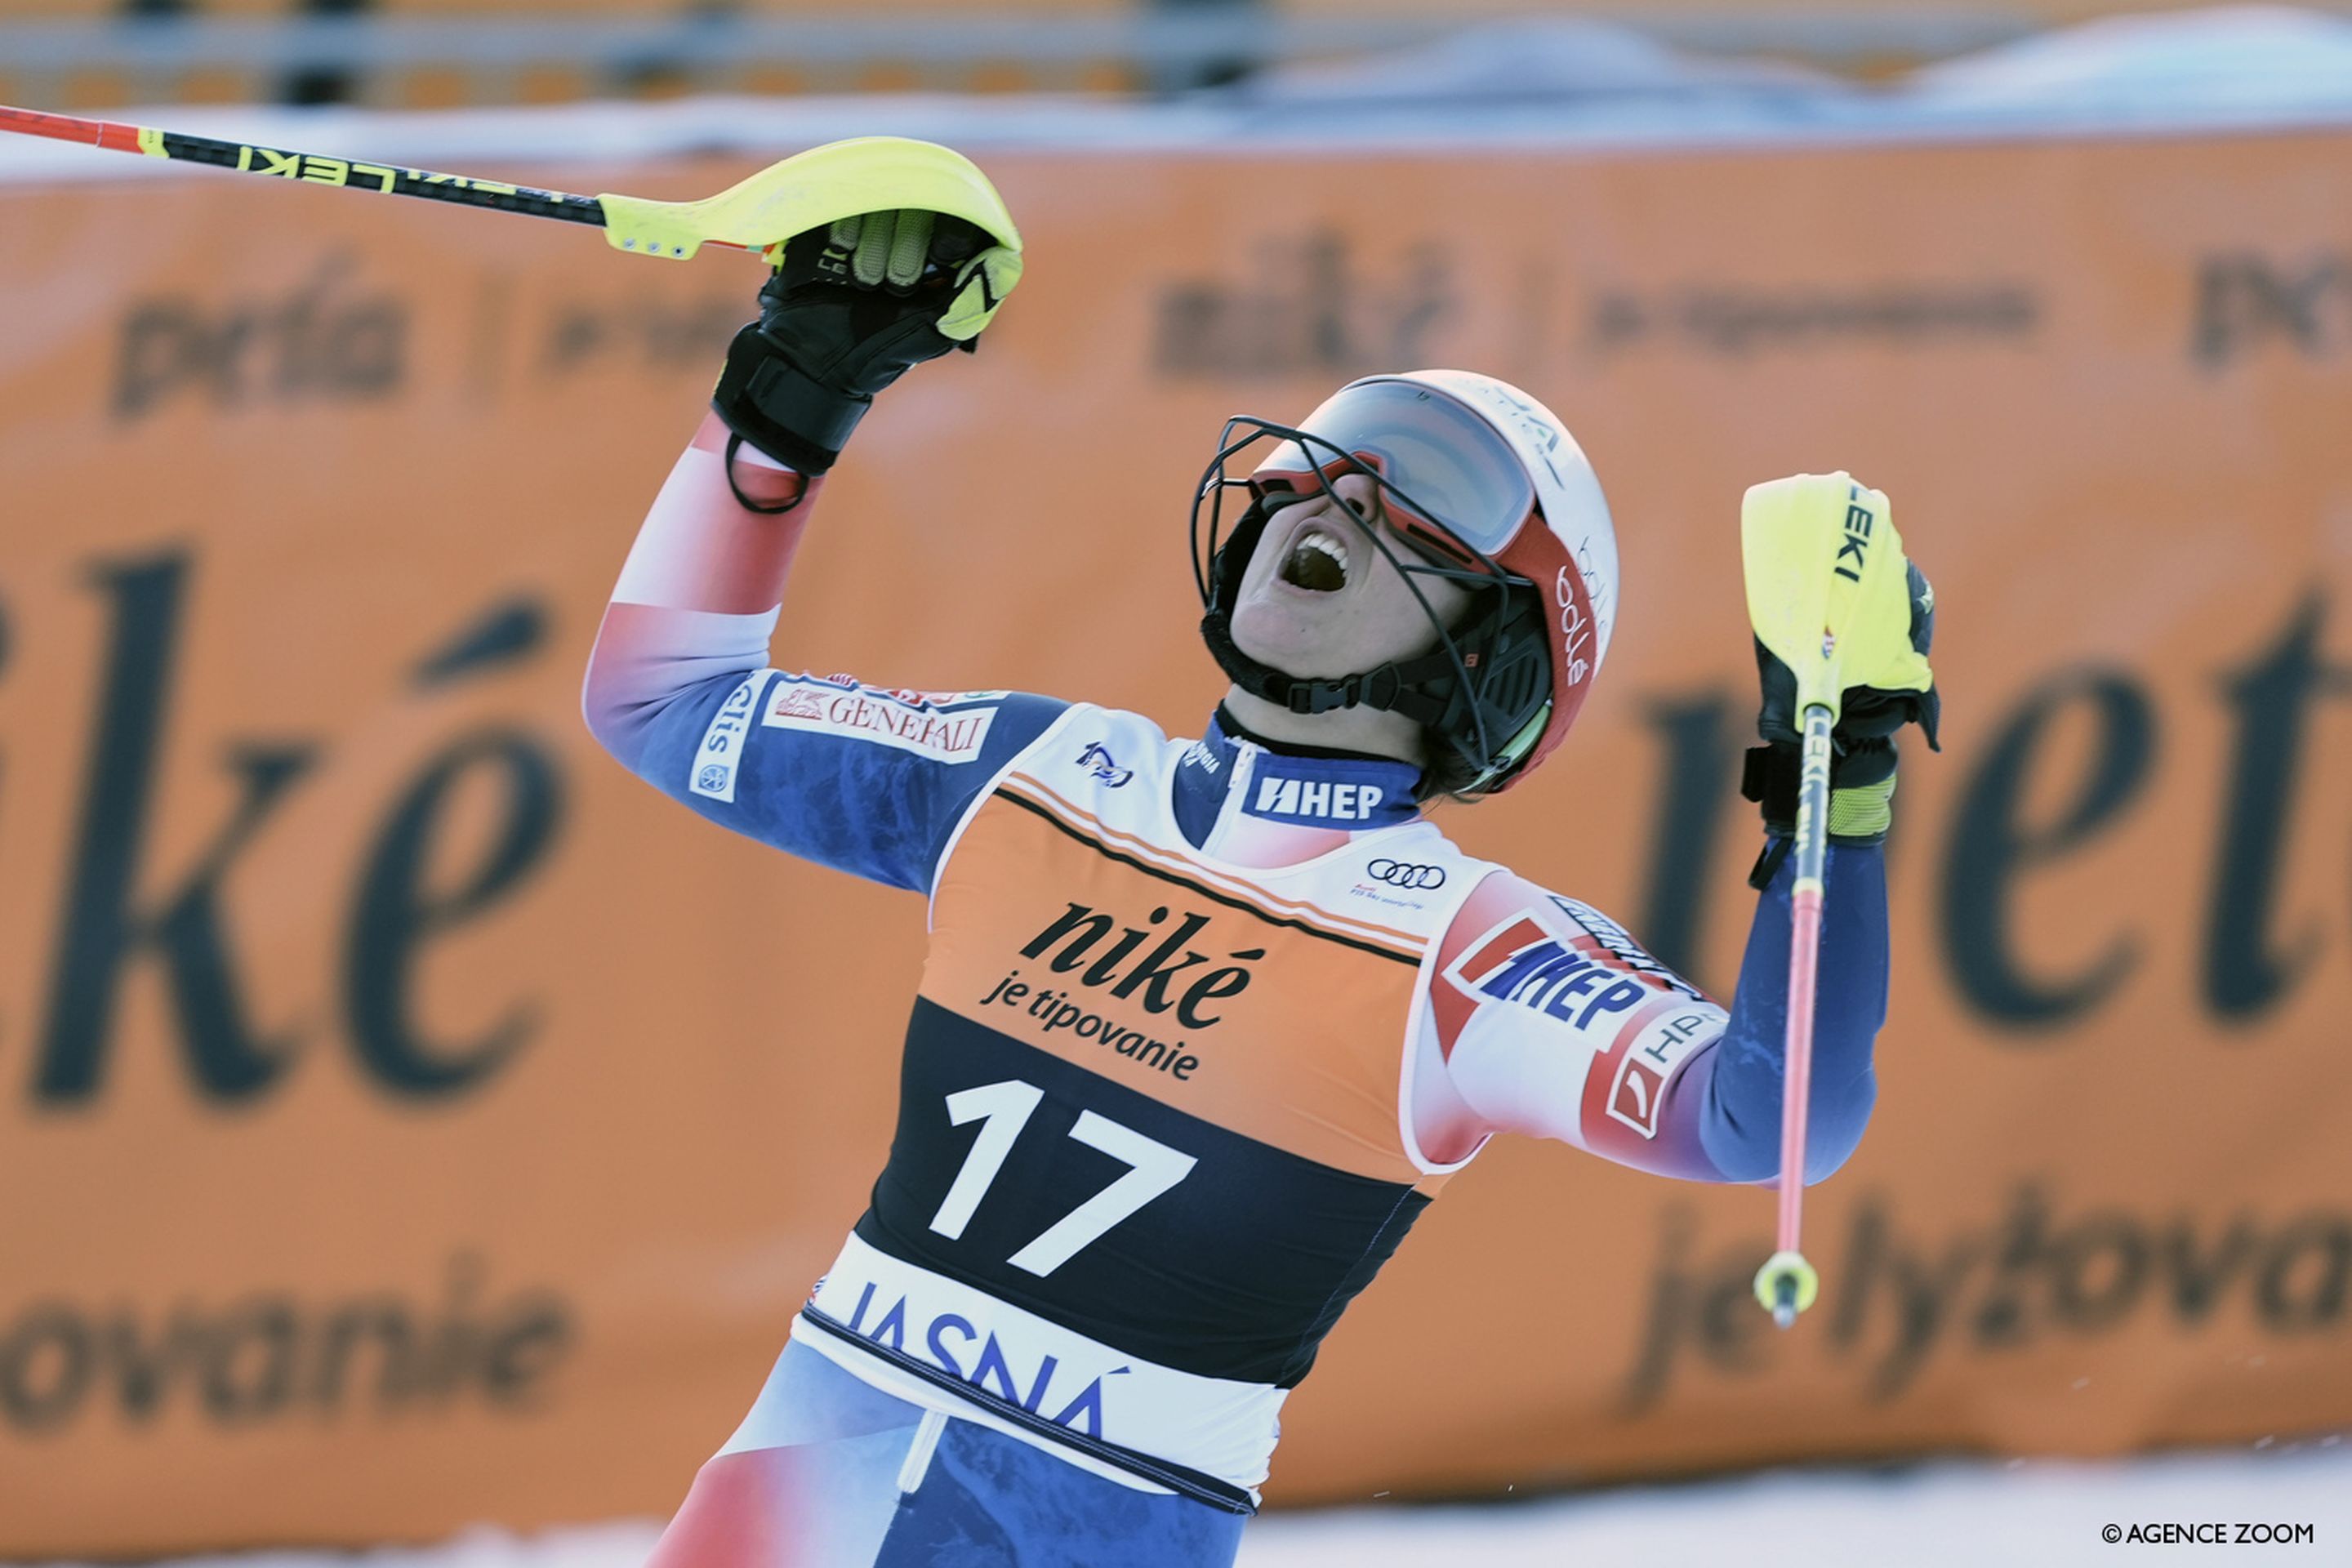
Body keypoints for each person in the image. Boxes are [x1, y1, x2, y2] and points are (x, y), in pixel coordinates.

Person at [583, 189, 1938, 1568]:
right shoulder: (1033, 770)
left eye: (1424, 498)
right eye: (1329, 459)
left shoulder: (1462, 949)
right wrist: (791, 397)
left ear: (1507, 643)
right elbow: (663, 703)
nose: (1336, 492)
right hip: (791, 1505)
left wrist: (1844, 778)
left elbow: (1775, 1125)